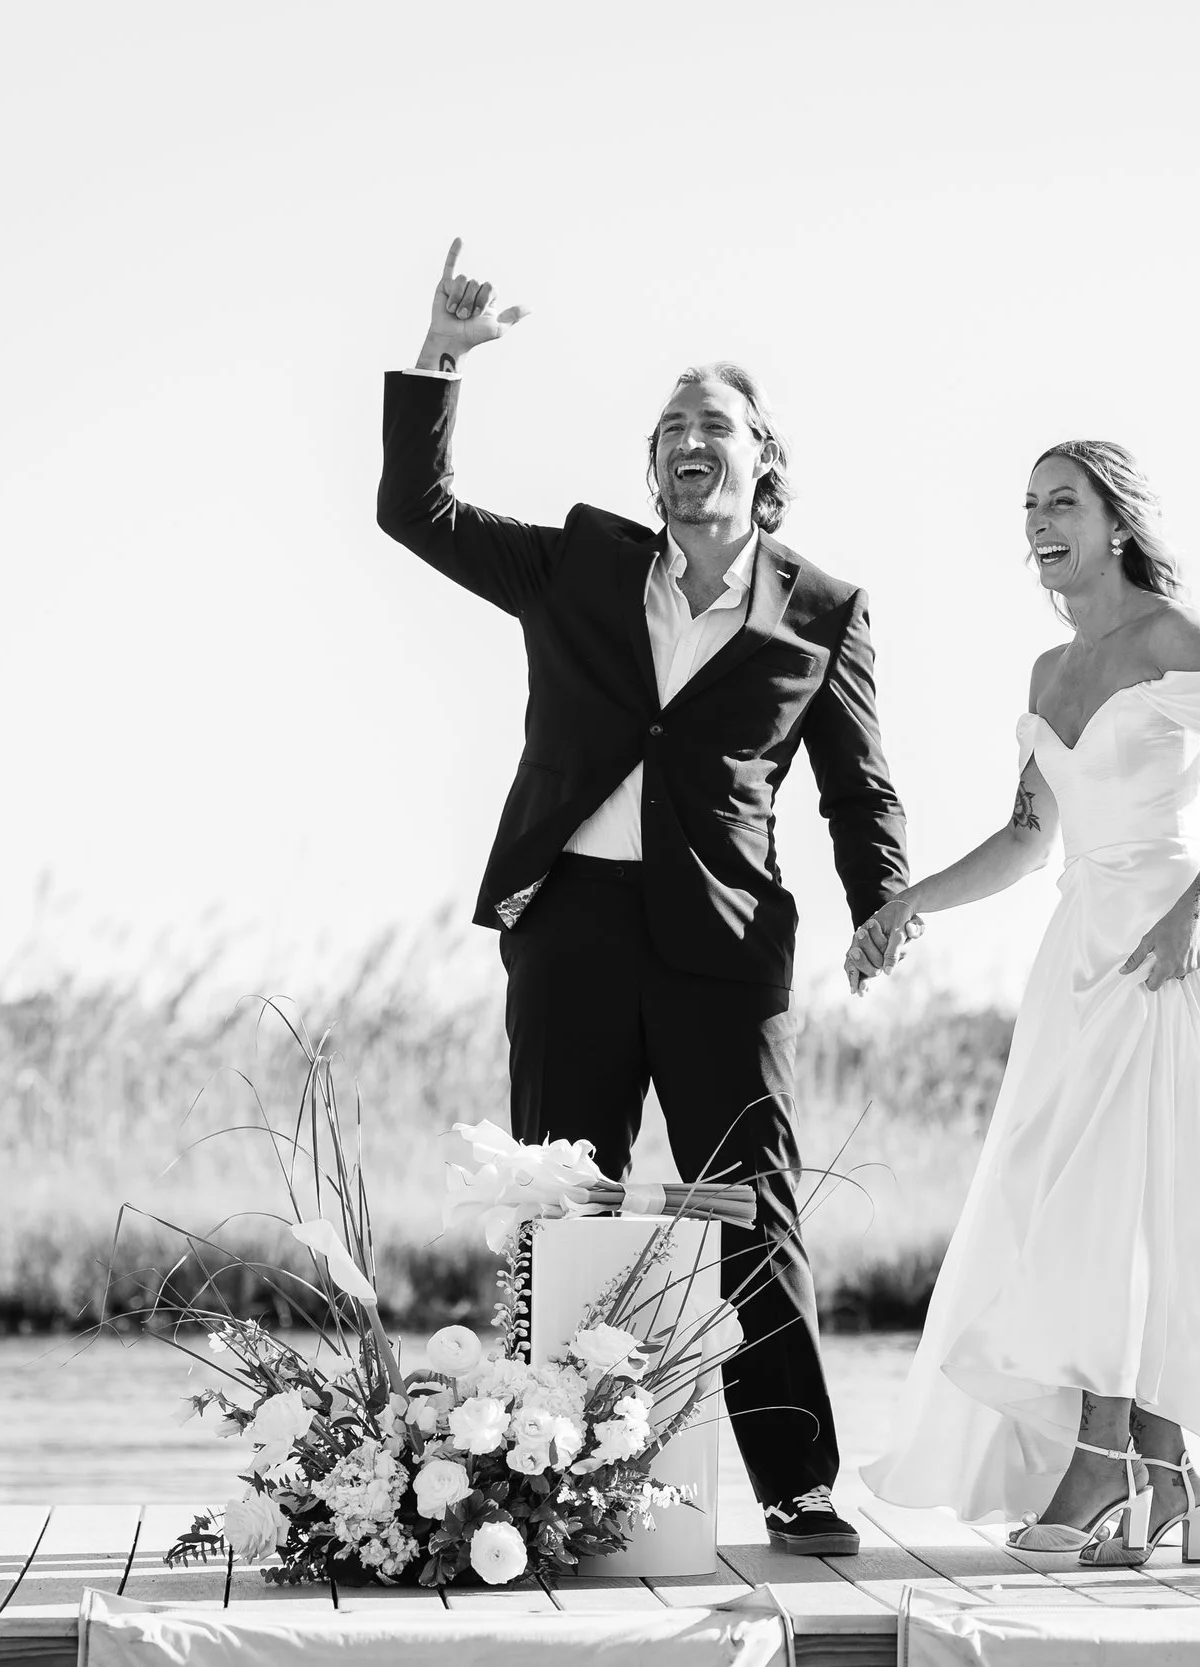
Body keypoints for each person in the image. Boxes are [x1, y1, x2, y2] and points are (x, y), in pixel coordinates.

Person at [376, 240, 914, 1556]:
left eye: (713, 423)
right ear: (652, 467)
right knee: (567, 1200)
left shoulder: (825, 610)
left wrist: (883, 897)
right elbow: (418, 510)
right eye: (669, 425)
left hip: (724, 946)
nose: (688, 439)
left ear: (762, 461)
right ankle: (550, 1473)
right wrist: (440, 354)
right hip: (570, 930)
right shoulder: (578, 564)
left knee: (753, 1201)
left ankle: (796, 1482)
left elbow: (858, 785)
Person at [853, 441, 1200, 1564]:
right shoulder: (1048, 672)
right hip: (1079, 955)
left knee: (1152, 1210)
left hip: (1174, 949)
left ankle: (1108, 1462)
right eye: (1030, 506)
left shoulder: (1172, 637)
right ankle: (1163, 1478)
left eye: (1065, 501)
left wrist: (1195, 908)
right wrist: (908, 902)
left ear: (1117, 521)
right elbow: (1025, 836)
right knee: (1082, 1200)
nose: (1041, 522)